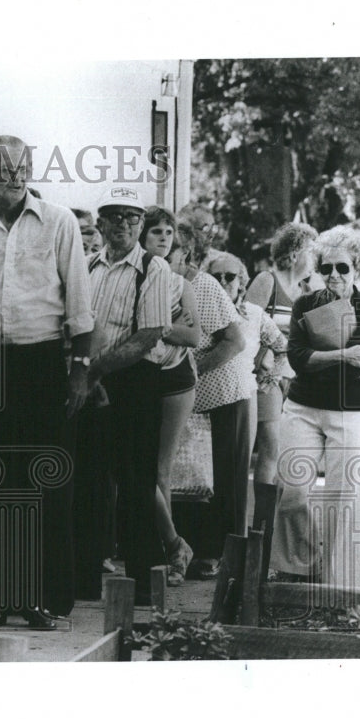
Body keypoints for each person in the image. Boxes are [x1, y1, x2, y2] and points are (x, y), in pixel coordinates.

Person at [0, 135, 93, 628]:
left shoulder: (59, 222)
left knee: (43, 482)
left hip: (44, 363)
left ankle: (41, 598)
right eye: (1, 167)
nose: (12, 175)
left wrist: (78, 372)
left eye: (21, 166)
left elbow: (79, 304)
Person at [269, 226, 360, 594]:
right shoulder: (305, 305)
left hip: (350, 411)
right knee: (290, 490)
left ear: (357, 269)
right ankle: (297, 571)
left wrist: (330, 356)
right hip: (302, 407)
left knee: (345, 496)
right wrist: (344, 353)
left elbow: (357, 366)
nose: (334, 275)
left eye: (343, 268)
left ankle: (342, 586)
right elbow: (298, 360)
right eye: (327, 267)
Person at [79, 187, 171, 605]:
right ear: (101, 223)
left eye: (132, 218)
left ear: (142, 223)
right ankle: (83, 579)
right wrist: (83, 372)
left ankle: (144, 589)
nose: (123, 225)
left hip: (134, 382)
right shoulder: (88, 266)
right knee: (90, 481)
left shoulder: (153, 268)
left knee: (136, 485)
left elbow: (149, 333)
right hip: (89, 381)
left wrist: (96, 370)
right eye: (114, 217)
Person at [168, 220, 247, 578]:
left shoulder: (203, 284)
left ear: (187, 252)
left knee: (216, 479)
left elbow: (234, 341)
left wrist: (193, 370)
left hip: (217, 395)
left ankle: (213, 556)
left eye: (174, 249)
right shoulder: (161, 283)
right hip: (180, 396)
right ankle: (186, 550)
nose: (166, 254)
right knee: (185, 477)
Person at [205, 251, 288, 567]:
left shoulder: (254, 314)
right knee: (203, 480)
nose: (224, 282)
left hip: (241, 397)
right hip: (197, 403)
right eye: (217, 276)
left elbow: (282, 347)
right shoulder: (199, 307)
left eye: (231, 276)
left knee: (235, 476)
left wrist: (271, 375)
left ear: (242, 281)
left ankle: (231, 554)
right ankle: (203, 552)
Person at [138, 206, 201, 586]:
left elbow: (192, 336)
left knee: (159, 468)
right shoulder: (134, 277)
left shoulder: (182, 284)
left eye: (167, 232)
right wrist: (167, 326)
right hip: (138, 376)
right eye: (155, 232)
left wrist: (154, 326)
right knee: (136, 468)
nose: (163, 238)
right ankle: (162, 545)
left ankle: (173, 550)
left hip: (175, 377)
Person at [243, 223, 318, 531]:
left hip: (295, 378)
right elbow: (247, 323)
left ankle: (274, 529)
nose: (316, 258)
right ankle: (258, 526)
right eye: (312, 251)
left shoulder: (307, 290)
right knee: (269, 447)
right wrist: (264, 352)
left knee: (284, 449)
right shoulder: (266, 280)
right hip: (266, 375)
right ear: (295, 252)